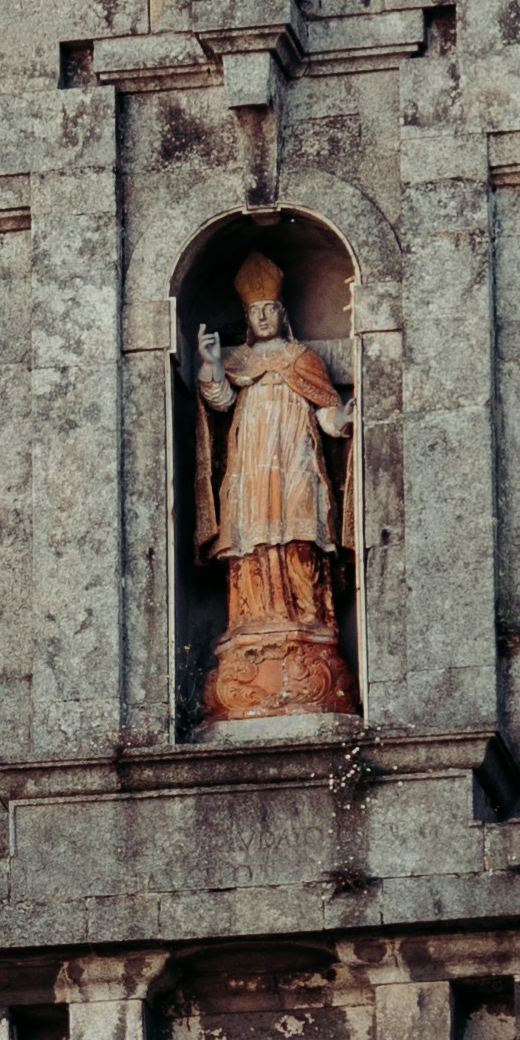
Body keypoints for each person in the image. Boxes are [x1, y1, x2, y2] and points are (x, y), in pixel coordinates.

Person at [193, 248, 355, 719]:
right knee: (250, 544)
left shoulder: (302, 357)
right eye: (254, 312)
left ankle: (308, 619)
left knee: (302, 536)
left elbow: (324, 409)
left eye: (269, 309)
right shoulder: (238, 360)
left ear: (281, 314)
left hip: (296, 459)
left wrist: (339, 419)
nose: (262, 316)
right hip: (252, 461)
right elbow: (219, 402)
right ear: (247, 318)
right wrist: (210, 365)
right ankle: (251, 619)